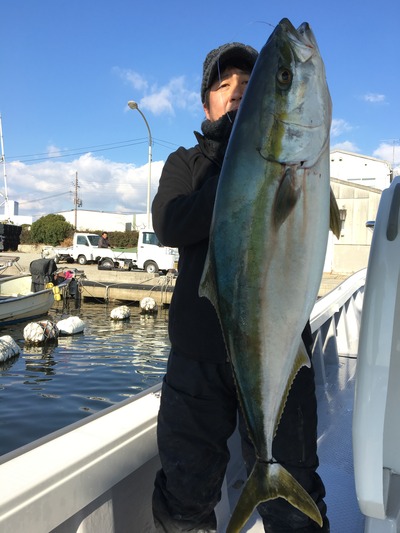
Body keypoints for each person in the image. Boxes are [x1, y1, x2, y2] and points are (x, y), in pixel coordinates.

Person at [151, 42, 329, 533]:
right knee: (186, 494)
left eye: (248, 87)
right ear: (205, 102)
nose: (235, 93)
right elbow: (169, 223)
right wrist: (241, 177)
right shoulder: (185, 164)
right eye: (222, 85)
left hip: (279, 345)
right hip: (197, 358)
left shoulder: (297, 160)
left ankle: (276, 481)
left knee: (293, 495)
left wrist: (262, 162)